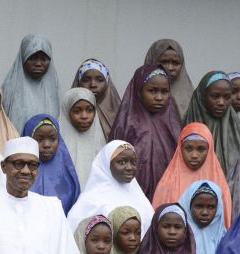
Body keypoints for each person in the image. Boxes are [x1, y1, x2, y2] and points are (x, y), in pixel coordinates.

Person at [110, 64, 180, 200]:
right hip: (130, 194)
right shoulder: (126, 124)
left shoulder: (173, 125)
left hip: (167, 196)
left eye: (164, 92)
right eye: (152, 91)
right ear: (138, 91)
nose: (159, 97)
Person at [152, 123, 232, 227]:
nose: (194, 155)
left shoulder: (220, 185)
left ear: (210, 149)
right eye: (189, 149)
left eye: (201, 149)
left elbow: (224, 225)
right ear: (180, 148)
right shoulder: (167, 184)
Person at [67, 141, 153, 233]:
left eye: (133, 162)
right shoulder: (91, 201)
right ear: (106, 163)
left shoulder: (139, 197)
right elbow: (74, 230)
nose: (129, 167)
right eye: (122, 162)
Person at [183, 71, 240, 176]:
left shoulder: (238, 131)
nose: (221, 103)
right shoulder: (186, 130)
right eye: (215, 97)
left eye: (227, 97)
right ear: (202, 96)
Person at [1, 34, 61, 132]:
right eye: (32, 57)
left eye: (43, 59)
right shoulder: (8, 91)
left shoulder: (55, 93)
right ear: (23, 58)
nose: (38, 63)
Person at [22, 114, 81, 213]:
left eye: (52, 139)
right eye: (40, 139)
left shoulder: (68, 174)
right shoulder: (18, 172)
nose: (47, 145)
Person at [59, 88, 106, 189]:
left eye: (89, 110)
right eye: (77, 111)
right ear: (67, 112)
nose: (84, 116)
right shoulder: (55, 145)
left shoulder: (101, 146)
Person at [71, 58, 121, 140]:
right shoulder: (69, 112)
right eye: (86, 80)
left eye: (100, 80)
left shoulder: (119, 115)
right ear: (79, 82)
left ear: (107, 83)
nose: (93, 85)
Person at [143, 39, 193, 117]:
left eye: (175, 63)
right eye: (164, 62)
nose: (170, 68)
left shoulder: (190, 99)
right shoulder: (137, 96)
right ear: (152, 61)